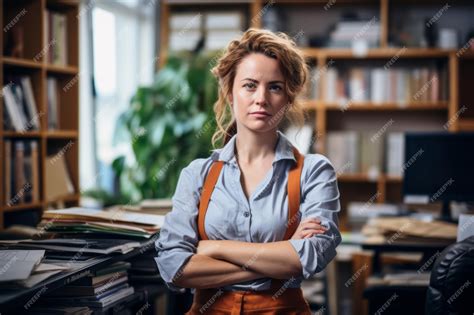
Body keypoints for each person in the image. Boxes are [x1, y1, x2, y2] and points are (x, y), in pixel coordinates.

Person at [156, 28, 341, 315]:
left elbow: (313, 255)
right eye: (250, 85)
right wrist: (283, 256)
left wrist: (212, 249)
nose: (262, 98)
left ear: (288, 98)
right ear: (230, 93)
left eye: (275, 87)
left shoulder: (314, 172)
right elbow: (175, 268)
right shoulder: (197, 175)